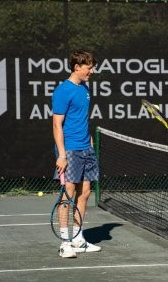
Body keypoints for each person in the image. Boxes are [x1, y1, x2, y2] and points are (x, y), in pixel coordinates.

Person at [52, 49, 101, 258]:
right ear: (77, 67)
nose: (91, 72)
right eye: (89, 68)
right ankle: (65, 243)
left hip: (85, 147)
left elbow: (81, 117)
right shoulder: (63, 90)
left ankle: (79, 239)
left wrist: (88, 138)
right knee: (67, 195)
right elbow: (56, 124)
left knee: (85, 193)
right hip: (69, 150)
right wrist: (62, 154)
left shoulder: (84, 88)